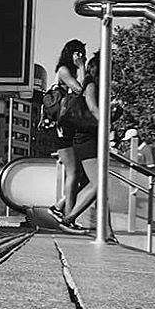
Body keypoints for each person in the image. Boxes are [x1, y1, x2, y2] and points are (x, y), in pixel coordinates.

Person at [58, 52, 117, 241]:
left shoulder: (96, 83)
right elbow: (92, 108)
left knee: (101, 187)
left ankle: (107, 231)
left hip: (91, 137)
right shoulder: (91, 82)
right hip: (86, 139)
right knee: (99, 183)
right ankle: (69, 218)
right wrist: (107, 126)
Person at [46, 39, 87, 229]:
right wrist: (83, 67)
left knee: (80, 174)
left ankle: (59, 207)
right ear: (71, 53)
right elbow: (82, 90)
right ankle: (68, 217)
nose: (81, 56)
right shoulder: (63, 70)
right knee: (73, 173)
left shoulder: (70, 71)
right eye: (79, 53)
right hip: (60, 128)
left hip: (68, 127)